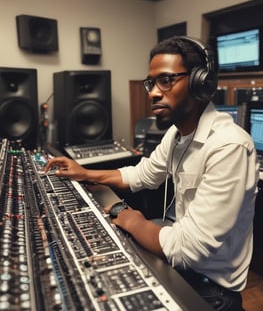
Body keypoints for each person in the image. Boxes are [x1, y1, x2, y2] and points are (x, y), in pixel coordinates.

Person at [45, 36, 259, 310]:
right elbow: (142, 175)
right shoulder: (176, 134)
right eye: (151, 83)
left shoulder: (230, 146)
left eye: (166, 80)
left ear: (200, 82)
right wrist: (84, 173)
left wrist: (129, 219)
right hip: (184, 269)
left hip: (210, 293)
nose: (153, 93)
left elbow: (187, 249)